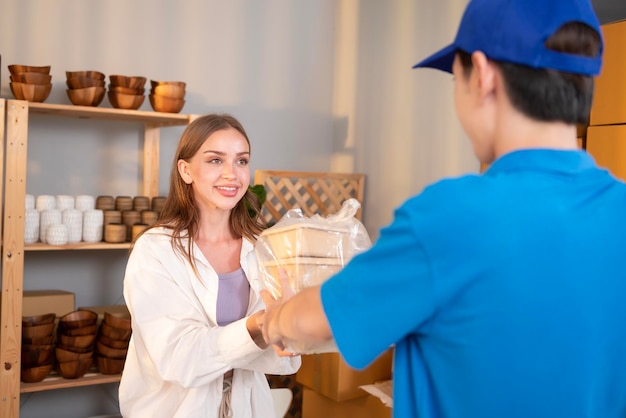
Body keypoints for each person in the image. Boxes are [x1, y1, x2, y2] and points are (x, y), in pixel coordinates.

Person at [260, 0, 626, 416]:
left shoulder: (451, 218)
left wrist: (275, 317)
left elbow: (316, 319)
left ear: (484, 76)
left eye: (456, 76)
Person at [119, 113, 301, 418]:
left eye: (241, 161)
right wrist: (258, 326)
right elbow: (178, 357)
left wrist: (292, 331)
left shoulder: (264, 248)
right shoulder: (155, 251)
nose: (232, 173)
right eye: (216, 160)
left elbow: (283, 360)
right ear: (186, 170)